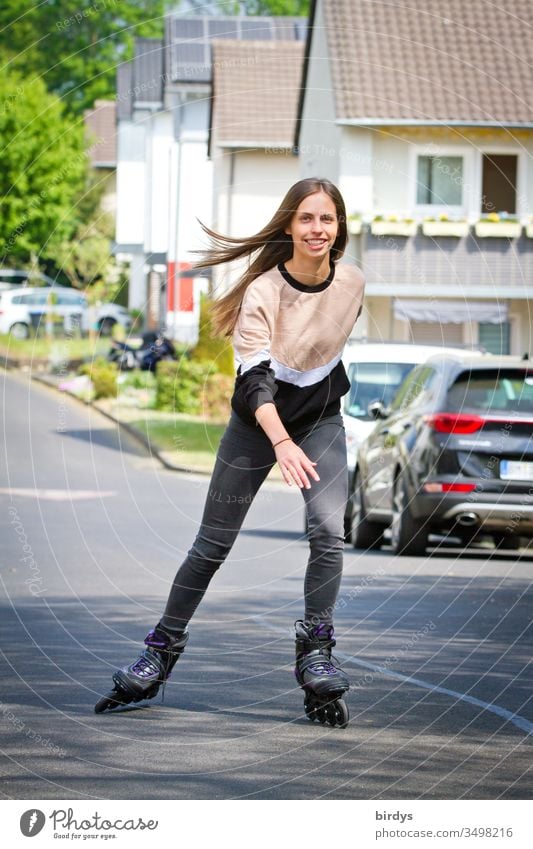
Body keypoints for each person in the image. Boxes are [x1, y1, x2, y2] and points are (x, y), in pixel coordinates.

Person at [95, 178, 365, 727]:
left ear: (339, 228)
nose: (318, 229)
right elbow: (255, 384)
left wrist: (302, 430)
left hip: (320, 420)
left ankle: (316, 649)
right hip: (254, 426)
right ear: (289, 225)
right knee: (211, 545)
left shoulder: (353, 283)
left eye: (327, 220)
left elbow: (323, 356)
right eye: (307, 218)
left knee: (328, 530)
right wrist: (280, 441)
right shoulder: (263, 291)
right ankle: (159, 651)